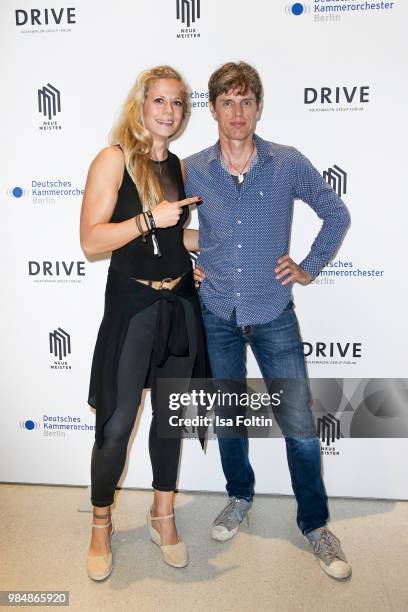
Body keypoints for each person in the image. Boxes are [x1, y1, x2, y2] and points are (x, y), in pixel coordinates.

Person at [183, 62, 352, 580]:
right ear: (211, 108)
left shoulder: (286, 162)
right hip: (217, 312)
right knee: (231, 419)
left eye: (246, 101)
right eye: (227, 102)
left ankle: (316, 525)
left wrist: (308, 267)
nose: (237, 112)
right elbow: (162, 226)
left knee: (299, 425)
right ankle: (239, 497)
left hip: (273, 310)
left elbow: (336, 213)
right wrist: (186, 263)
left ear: (259, 106)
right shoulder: (190, 169)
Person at [80, 65, 207, 580]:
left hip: (179, 308)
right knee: (114, 426)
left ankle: (163, 515)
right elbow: (91, 241)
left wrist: (216, 252)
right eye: (159, 101)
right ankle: (101, 523)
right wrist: (149, 219)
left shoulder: (178, 166)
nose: (168, 112)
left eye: (177, 103)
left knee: (170, 422)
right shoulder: (113, 160)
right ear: (141, 104)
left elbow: (174, 239)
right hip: (132, 310)